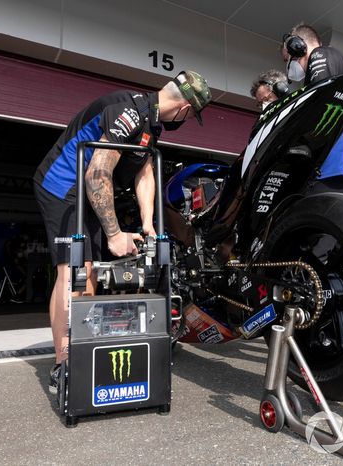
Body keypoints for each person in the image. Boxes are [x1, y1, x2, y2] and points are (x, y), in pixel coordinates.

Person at [33, 71, 212, 394]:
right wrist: (115, 234)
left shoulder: (150, 125)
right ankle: (64, 363)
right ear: (185, 108)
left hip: (86, 193)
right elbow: (97, 173)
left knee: (92, 274)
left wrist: (148, 224)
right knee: (75, 270)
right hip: (63, 187)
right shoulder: (127, 113)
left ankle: (84, 346)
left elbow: (144, 172)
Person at [281, 22, 343, 197]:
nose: (288, 65)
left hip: (332, 172)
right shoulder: (329, 62)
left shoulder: (321, 54)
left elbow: (321, 107)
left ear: (298, 46)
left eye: (287, 59)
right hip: (338, 173)